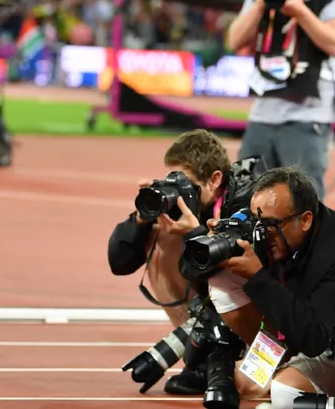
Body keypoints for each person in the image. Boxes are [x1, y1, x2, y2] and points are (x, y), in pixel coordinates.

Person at [203, 166, 335, 409]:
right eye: (256, 221)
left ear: (305, 220)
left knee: (284, 393)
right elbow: (192, 269)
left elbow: (316, 340)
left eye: (270, 223)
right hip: (304, 331)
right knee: (223, 281)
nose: (260, 232)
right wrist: (213, 244)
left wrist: (258, 277)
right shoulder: (272, 233)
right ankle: (282, 361)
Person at [107, 129, 262, 395]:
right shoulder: (181, 205)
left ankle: (223, 353)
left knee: (252, 388)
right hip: (212, 304)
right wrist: (142, 218)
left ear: (215, 179)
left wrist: (194, 232)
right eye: (173, 179)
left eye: (186, 182)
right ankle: (200, 352)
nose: (179, 190)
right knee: (161, 237)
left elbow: (235, 271)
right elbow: (119, 263)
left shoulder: (246, 201)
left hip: (260, 314)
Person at [225, 0, 335, 198]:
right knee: (243, 193)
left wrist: (299, 10)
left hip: (308, 117)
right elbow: (235, 41)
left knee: (302, 199)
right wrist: (259, 4)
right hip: (263, 114)